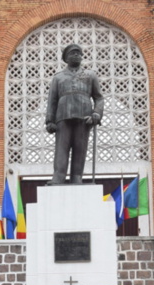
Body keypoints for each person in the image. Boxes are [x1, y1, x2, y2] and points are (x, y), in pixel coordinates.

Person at [45, 44, 104, 185]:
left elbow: (98, 97)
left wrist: (97, 113)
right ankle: (58, 176)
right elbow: (52, 100)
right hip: (63, 116)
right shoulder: (58, 77)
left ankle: (77, 177)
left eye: (78, 53)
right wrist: (49, 120)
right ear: (66, 58)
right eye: (72, 53)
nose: (76, 55)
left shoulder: (90, 75)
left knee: (80, 148)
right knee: (61, 148)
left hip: (84, 117)